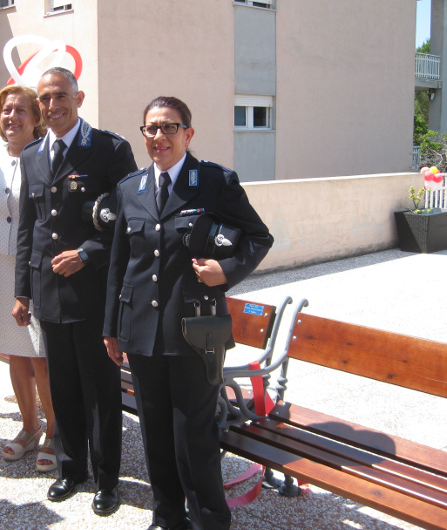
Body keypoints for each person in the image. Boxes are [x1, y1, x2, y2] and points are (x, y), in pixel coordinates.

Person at [103, 96, 274, 530]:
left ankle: (210, 521)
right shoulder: (130, 189)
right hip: (141, 331)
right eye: (150, 129)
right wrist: (111, 328)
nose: (158, 137)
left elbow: (259, 236)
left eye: (168, 128)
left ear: (188, 133)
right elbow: (119, 265)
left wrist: (227, 271)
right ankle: (167, 518)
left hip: (197, 332)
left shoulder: (214, 181)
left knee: (193, 435)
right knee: (155, 433)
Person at [13, 67, 137, 516]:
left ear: (79, 97)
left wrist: (87, 251)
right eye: (44, 98)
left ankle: (108, 479)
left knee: (101, 391)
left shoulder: (108, 149)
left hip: (94, 291)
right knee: (62, 386)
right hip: (48, 293)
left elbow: (130, 221)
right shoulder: (31, 155)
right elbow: (29, 227)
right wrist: (23, 291)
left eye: (60, 95)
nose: (52, 105)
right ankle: (71, 469)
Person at [0, 84, 57, 471]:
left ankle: (54, 431)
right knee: (15, 351)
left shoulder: (44, 154)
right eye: (6, 109)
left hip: (35, 264)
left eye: (21, 110)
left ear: (36, 118)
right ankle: (29, 427)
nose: (12, 116)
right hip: (2, 259)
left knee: (41, 354)